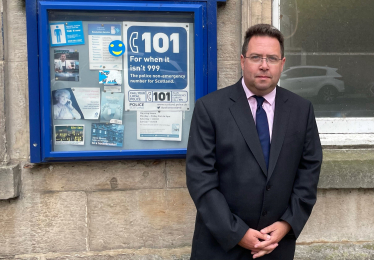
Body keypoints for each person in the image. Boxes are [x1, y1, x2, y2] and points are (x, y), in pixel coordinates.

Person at [186, 24, 322, 260]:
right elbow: (201, 178)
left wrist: (287, 224)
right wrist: (237, 232)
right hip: (220, 246)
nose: (264, 65)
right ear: (242, 60)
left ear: (282, 63)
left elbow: (309, 170)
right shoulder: (210, 108)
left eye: (272, 58)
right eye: (256, 57)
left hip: (275, 245)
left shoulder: (301, 110)